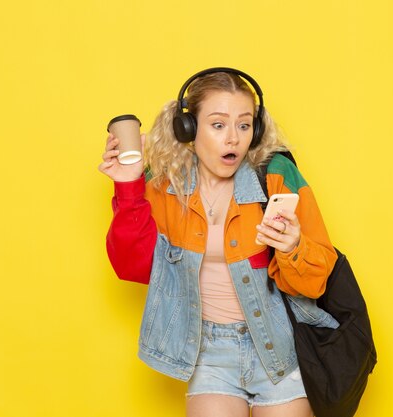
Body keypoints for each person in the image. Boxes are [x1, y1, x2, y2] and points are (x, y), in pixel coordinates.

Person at [99, 68, 339, 417]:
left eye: (244, 125)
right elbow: (133, 268)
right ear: (189, 130)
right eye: (217, 124)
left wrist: (292, 248)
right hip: (209, 352)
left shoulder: (275, 175)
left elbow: (315, 282)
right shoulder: (165, 185)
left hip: (279, 348)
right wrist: (128, 186)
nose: (233, 139)